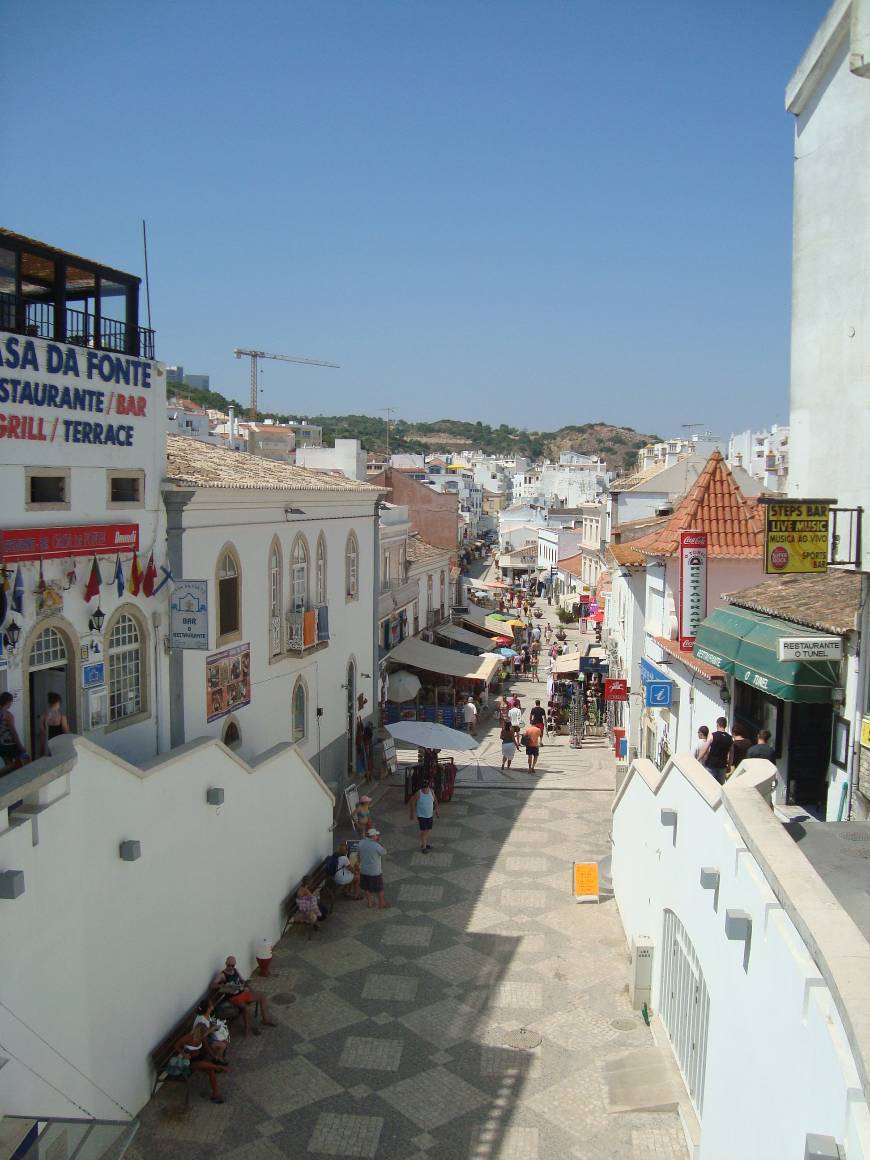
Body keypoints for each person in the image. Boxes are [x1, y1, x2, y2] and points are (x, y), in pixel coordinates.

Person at [212, 956, 276, 1036]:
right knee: (246, 1008)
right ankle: (247, 1027)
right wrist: (224, 985)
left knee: (262, 996)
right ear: (226, 964)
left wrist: (245, 985)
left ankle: (265, 1019)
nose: (231, 967)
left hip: (242, 993)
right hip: (234, 997)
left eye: (233, 965)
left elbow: (242, 980)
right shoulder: (222, 974)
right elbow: (213, 985)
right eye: (229, 965)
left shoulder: (235, 971)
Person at [169, 1022, 227, 1102]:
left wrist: (214, 1056)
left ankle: (215, 1094)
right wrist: (184, 1054)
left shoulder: (202, 1037)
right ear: (199, 1032)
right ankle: (218, 1067)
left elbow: (206, 1047)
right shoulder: (188, 1038)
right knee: (205, 1065)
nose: (205, 1034)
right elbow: (176, 1046)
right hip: (190, 1062)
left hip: (199, 1058)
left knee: (210, 1070)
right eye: (204, 1033)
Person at [359, 828, 389, 909]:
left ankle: (370, 903)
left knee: (367, 888)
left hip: (364, 870)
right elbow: (384, 852)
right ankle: (382, 903)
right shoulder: (376, 846)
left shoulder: (361, 843)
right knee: (379, 888)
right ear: (373, 836)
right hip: (374, 871)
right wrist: (379, 842)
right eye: (376, 835)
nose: (377, 836)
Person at [409, 777, 439, 852]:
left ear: (428, 786)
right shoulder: (418, 793)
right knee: (424, 831)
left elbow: (435, 801)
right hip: (422, 816)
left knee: (428, 830)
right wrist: (412, 813)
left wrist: (437, 810)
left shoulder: (431, 792)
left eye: (426, 786)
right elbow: (412, 802)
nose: (425, 788)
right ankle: (424, 847)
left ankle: (424, 843)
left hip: (430, 815)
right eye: (424, 787)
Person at [700, 717, 733, 785]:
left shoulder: (712, 735)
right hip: (722, 766)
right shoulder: (730, 738)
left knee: (710, 786)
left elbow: (705, 749)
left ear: (717, 724)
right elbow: (731, 754)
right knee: (720, 787)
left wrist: (698, 759)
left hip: (711, 765)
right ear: (725, 725)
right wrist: (729, 766)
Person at [0, 692, 27, 773]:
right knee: (19, 763)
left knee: (9, 767)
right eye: (11, 701)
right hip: (10, 745)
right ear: (8, 702)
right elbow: (13, 732)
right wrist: (21, 747)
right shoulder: (8, 715)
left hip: (1, 745)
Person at [38, 692, 70, 757]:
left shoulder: (43, 717)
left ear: (49, 703)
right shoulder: (62, 717)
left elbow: (42, 735)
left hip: (48, 747)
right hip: (59, 746)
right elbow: (67, 732)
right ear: (58, 703)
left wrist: (41, 752)